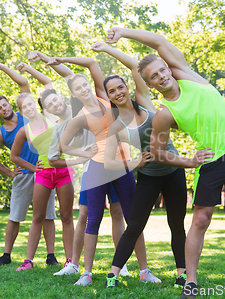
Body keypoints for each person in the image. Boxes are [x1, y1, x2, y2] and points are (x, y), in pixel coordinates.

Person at [106, 27, 225, 298]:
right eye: (154, 77)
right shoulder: (165, 113)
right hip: (211, 160)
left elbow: (159, 40)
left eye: (162, 70)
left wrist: (123, 33)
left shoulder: (188, 76)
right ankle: (190, 281)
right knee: (200, 218)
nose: (161, 76)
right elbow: (157, 152)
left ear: (167, 68)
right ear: (150, 85)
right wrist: (189, 162)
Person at [49, 55, 155, 286]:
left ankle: (144, 270)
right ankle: (86, 273)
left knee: (133, 219)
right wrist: (87, 155)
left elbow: (91, 64)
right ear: (74, 95)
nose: (84, 89)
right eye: (78, 89)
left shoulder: (106, 99)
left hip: (123, 166)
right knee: (93, 219)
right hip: (98, 168)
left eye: (85, 84)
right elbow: (62, 146)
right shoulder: (80, 117)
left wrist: (58, 59)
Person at [90, 42, 188, 289]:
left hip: (174, 170)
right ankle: (113, 275)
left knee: (176, 224)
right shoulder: (115, 125)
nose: (118, 92)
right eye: (111, 91)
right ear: (109, 96)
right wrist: (135, 162)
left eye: (120, 87)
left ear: (126, 87)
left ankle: (183, 273)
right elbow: (110, 160)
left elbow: (135, 66)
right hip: (148, 177)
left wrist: (107, 50)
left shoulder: (143, 100)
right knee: (134, 225)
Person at [27, 51, 132, 277]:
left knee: (117, 212)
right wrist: (81, 157)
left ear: (64, 98)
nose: (54, 105)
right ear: (47, 110)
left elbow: (69, 76)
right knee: (84, 215)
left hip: (113, 162)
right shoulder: (59, 126)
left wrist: (48, 58)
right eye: (49, 104)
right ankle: (74, 264)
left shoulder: (78, 106)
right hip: (92, 169)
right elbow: (55, 157)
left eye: (56, 99)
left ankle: (121, 263)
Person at [0, 62, 57, 268]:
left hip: (44, 171)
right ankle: (7, 255)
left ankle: (50, 256)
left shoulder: (27, 114)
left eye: (5, 105)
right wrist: (9, 172)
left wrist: (2, 67)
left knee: (47, 216)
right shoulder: (0, 133)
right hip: (24, 175)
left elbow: (23, 82)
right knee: (15, 216)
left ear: (10, 104)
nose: (4, 109)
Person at [9, 62, 75, 271]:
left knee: (66, 216)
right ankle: (28, 260)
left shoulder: (49, 115)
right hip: (43, 173)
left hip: (63, 171)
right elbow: (13, 156)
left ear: (35, 105)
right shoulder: (24, 131)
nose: (28, 108)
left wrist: (28, 69)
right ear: (20, 111)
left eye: (30, 104)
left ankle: (70, 260)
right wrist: (33, 167)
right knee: (37, 216)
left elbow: (47, 82)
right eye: (23, 107)